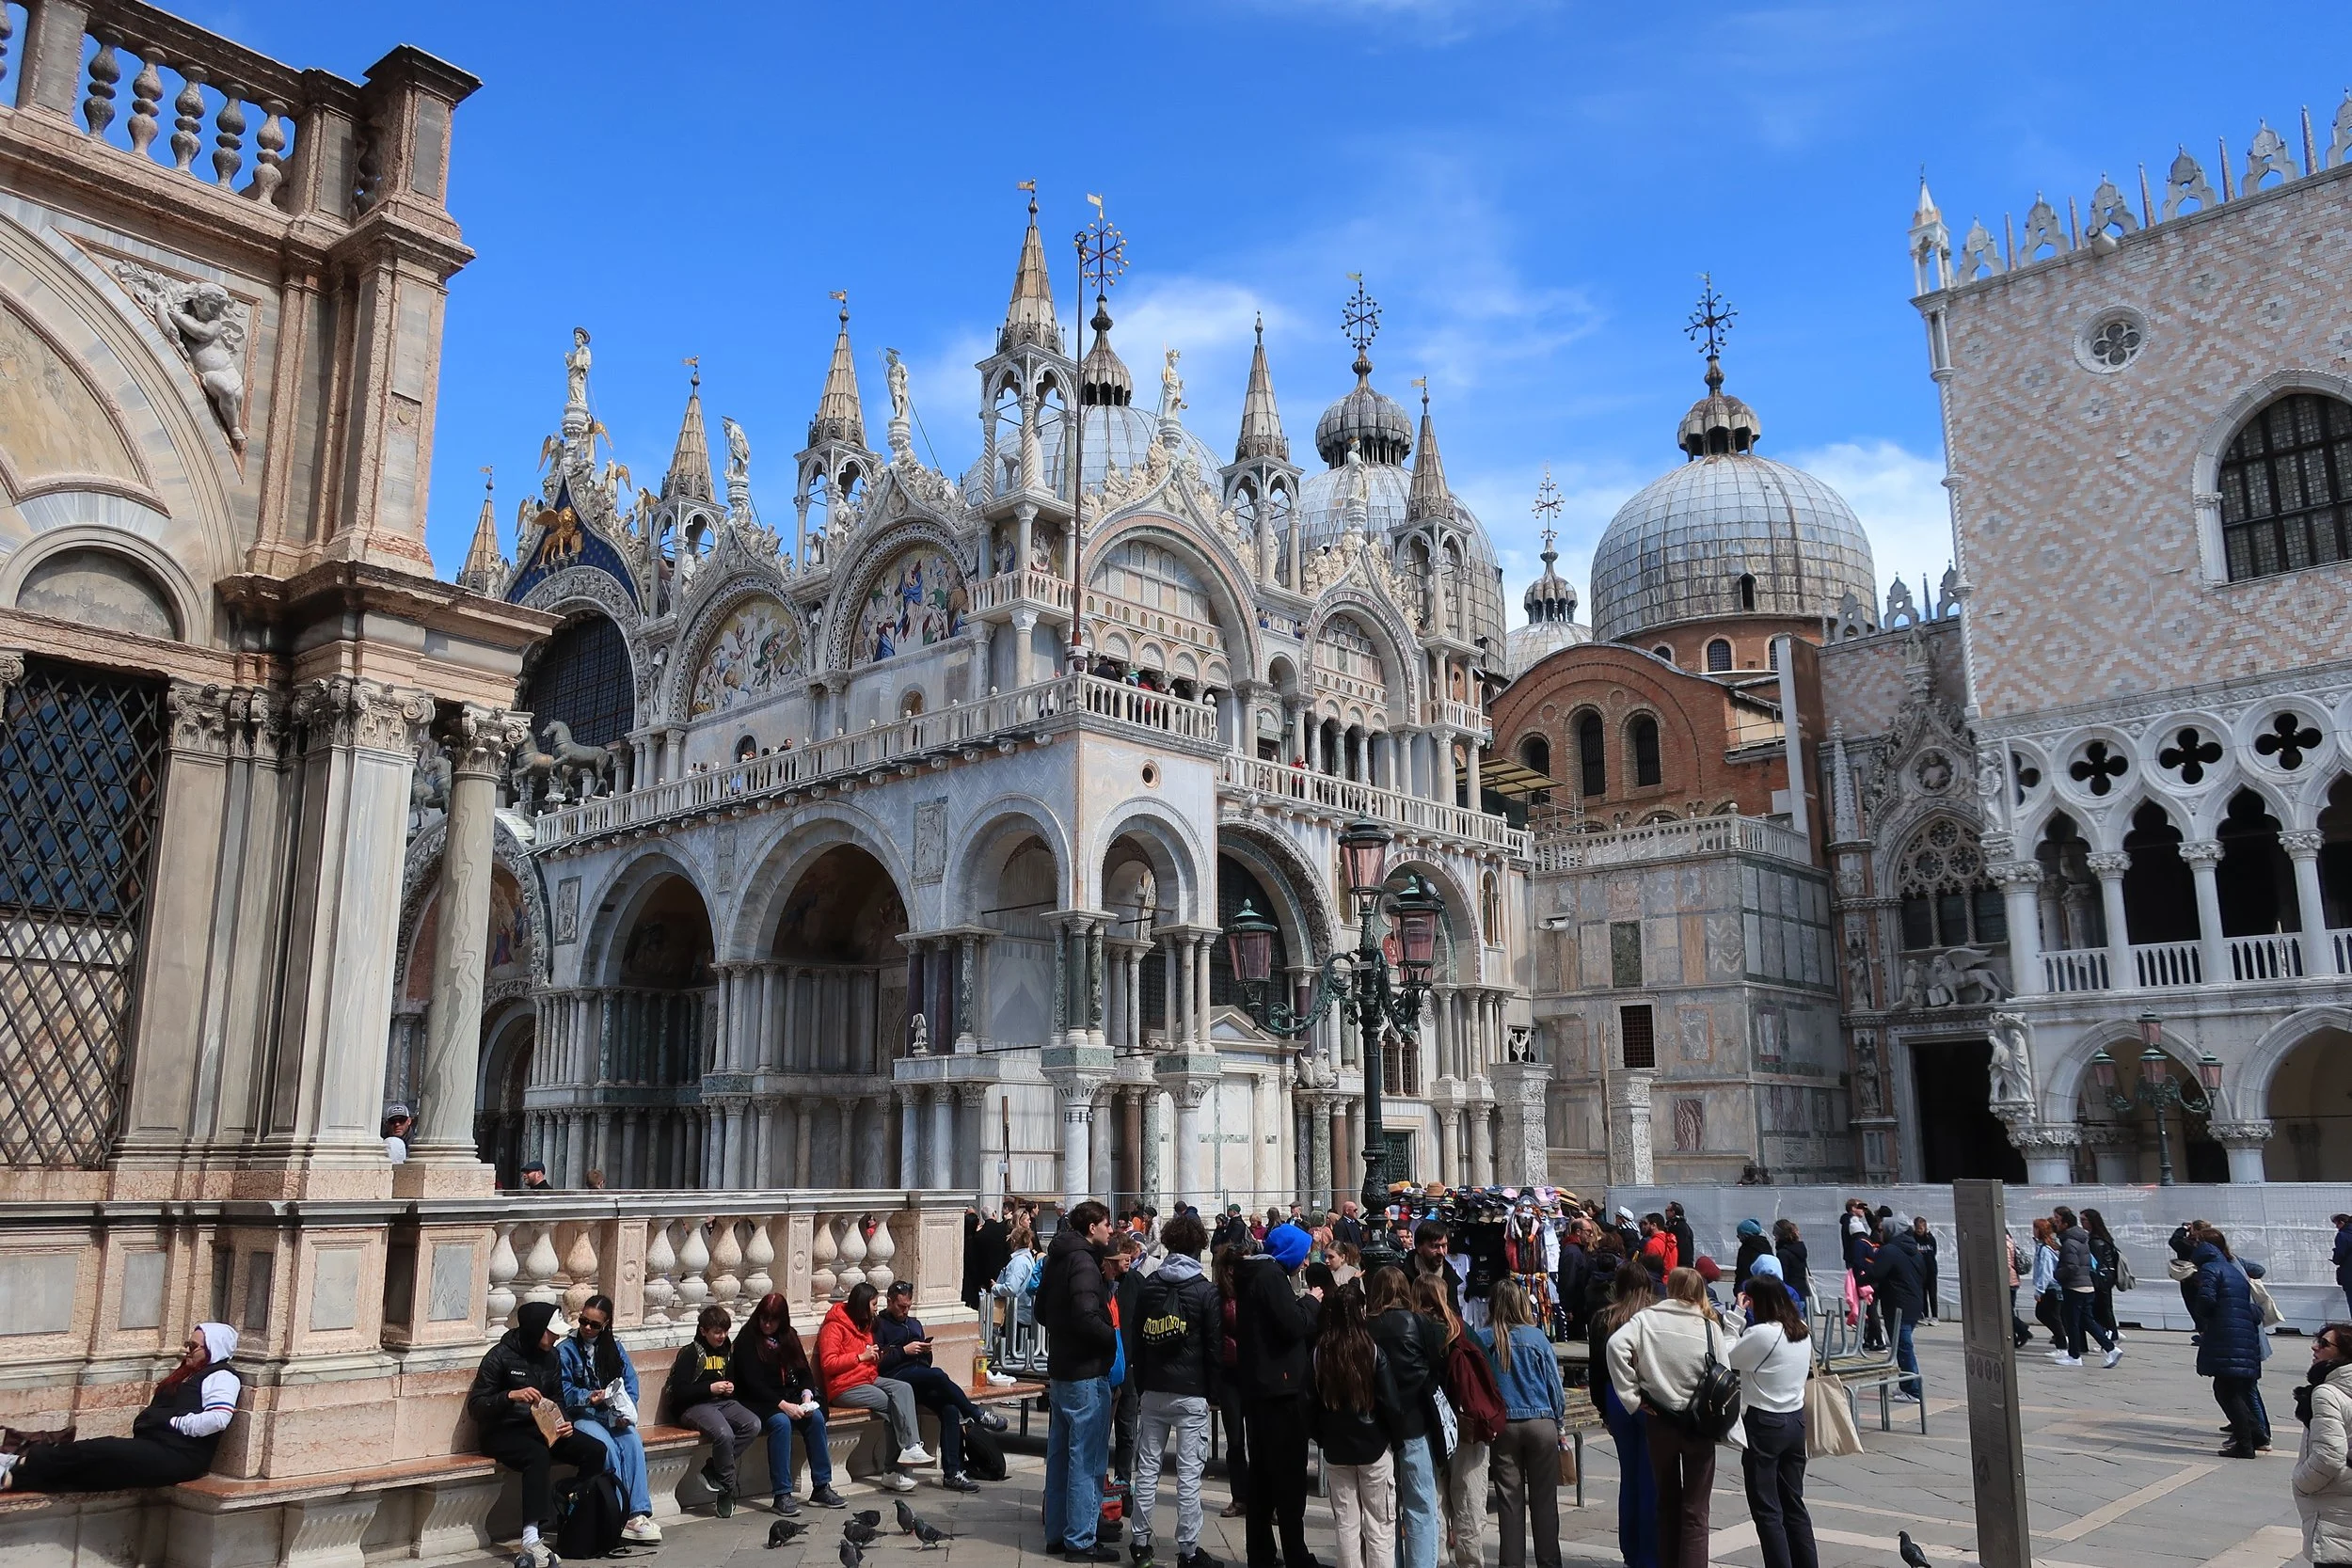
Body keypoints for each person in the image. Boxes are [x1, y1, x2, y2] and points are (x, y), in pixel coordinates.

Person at [0, 1323, 242, 1495]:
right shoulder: (191, 1373)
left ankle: (21, 1460)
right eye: (188, 1344)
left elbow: (218, 1418)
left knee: (104, 1448)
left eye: (194, 1346)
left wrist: (173, 1422)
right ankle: (14, 1478)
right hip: (156, 1447)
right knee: (96, 1474)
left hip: (180, 1456)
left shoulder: (222, 1377)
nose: (187, 1349)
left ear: (214, 1349)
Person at [1606, 1267, 1740, 1568]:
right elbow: (1726, 1376)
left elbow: (1615, 1346)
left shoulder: (1646, 1320)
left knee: (1665, 1504)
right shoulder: (1710, 1326)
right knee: (1696, 1512)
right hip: (1699, 1426)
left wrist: (1632, 1396)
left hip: (1660, 1420)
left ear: (1670, 1288)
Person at [464, 1302, 607, 1568]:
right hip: (502, 1432)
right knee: (537, 1456)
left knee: (594, 1449)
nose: (556, 1337)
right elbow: (477, 1407)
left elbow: (557, 1399)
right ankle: (530, 1539)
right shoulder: (499, 1356)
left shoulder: (552, 1357)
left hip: (541, 1429)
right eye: (551, 1332)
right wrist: (510, 1395)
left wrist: (564, 1422)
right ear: (536, 1329)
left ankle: (577, 1513)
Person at [1129, 1212, 1223, 1568]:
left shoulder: (1149, 1285)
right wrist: (1212, 1393)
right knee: (1188, 1475)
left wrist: (1142, 1384)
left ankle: (1140, 1543)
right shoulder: (1205, 1291)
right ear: (1199, 1247)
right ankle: (1188, 1549)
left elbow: (1137, 1340)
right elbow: (1213, 1348)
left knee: (1147, 1469)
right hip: (1191, 1392)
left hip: (1154, 1389)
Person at [1233, 1221, 1323, 1568]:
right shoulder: (1271, 1277)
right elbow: (1293, 1324)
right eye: (1303, 1254)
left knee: (1263, 1475)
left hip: (1260, 1388)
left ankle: (1261, 1552)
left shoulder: (1255, 1275)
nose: (1305, 1261)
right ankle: (1295, 1553)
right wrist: (1311, 1303)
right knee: (1287, 1478)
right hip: (1281, 1391)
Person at [875, 1279, 1010, 1493]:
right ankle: (976, 1413)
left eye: (908, 1306)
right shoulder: (880, 1325)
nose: (905, 1311)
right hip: (896, 1379)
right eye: (901, 1306)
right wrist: (903, 1351)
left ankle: (952, 1473)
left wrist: (925, 1353)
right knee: (938, 1374)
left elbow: (926, 1364)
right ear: (889, 1301)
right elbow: (878, 1363)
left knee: (950, 1408)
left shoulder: (914, 1324)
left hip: (919, 1377)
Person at [1041, 1200, 1120, 1561]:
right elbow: (1088, 1316)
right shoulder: (1085, 1262)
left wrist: (1064, 1332)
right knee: (1086, 1458)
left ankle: (1057, 1533)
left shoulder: (1057, 1258)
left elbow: (1041, 1310)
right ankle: (1081, 1538)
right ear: (1091, 1228)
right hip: (1086, 1372)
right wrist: (1110, 1337)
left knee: (1060, 1457)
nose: (1110, 1230)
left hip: (1061, 1369)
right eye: (1106, 1224)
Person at [1727, 1275, 1818, 1568]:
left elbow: (1727, 1356)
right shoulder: (1802, 1329)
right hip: (1795, 1421)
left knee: (1767, 1509)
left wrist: (1736, 1315)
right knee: (1794, 1504)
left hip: (1765, 1422)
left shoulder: (1763, 1334)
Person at [1476, 1279, 1567, 1568]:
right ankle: (1549, 1562)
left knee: (1509, 1501)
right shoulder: (1536, 1337)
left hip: (1503, 1425)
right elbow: (1554, 1387)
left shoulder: (1484, 1338)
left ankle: (1512, 1563)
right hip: (1540, 1421)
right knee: (1544, 1501)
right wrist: (1559, 1422)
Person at [558, 1294, 660, 1544]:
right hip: (583, 1416)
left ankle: (637, 1512)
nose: (587, 1328)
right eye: (583, 1321)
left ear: (606, 1325)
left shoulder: (614, 1348)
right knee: (607, 1448)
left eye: (594, 1325)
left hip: (612, 1415)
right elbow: (563, 1391)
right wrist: (588, 1397)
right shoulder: (566, 1350)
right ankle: (618, 1512)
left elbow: (630, 1384)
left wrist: (625, 1411)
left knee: (632, 1442)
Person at [731, 1291, 846, 1513]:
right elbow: (752, 1383)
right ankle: (782, 1493)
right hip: (758, 1401)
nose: (767, 1324)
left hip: (789, 1397)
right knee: (781, 1423)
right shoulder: (747, 1340)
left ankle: (822, 1486)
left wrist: (806, 1396)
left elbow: (804, 1371)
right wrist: (783, 1406)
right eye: (764, 1319)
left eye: (772, 1320)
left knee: (816, 1419)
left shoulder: (788, 1336)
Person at [1316, 1282, 1401, 1568]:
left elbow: (1307, 1402)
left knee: (1346, 1523)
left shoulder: (1321, 1352)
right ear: (1361, 1311)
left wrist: (1322, 1436)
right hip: (1374, 1446)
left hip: (1337, 1447)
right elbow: (1391, 1403)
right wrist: (1394, 1440)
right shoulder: (1371, 1350)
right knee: (1380, 1525)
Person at [817, 1283, 931, 1491]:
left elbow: (870, 1356)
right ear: (862, 1305)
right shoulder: (834, 1326)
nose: (876, 1309)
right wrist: (860, 1357)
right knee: (895, 1406)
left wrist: (876, 1356)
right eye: (873, 1304)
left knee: (903, 1390)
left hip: (867, 1378)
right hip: (844, 1386)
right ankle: (896, 1468)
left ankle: (910, 1448)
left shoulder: (865, 1325)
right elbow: (828, 1364)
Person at [1370, 1265, 1447, 1568]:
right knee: (1421, 1505)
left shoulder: (1367, 1326)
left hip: (1379, 1428)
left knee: (1387, 1511)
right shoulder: (1418, 1322)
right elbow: (1435, 1367)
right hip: (1416, 1422)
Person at [1590, 1265, 1658, 1568]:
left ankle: (1630, 1551)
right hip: (1648, 1397)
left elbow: (1595, 1368)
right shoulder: (1653, 1317)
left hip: (1614, 1396)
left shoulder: (1603, 1318)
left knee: (1628, 1476)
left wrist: (1602, 1409)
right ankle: (1649, 1554)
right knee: (1650, 1478)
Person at [663, 1305, 760, 1518]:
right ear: (703, 1331)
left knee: (753, 1424)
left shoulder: (726, 1351)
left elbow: (732, 1378)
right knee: (724, 1434)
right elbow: (680, 1391)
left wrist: (730, 1387)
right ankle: (727, 1488)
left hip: (722, 1403)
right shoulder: (691, 1354)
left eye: (725, 1331)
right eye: (717, 1332)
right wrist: (709, 1388)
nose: (721, 1336)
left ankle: (714, 1468)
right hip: (694, 1406)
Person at [1418, 1274, 1486, 1568]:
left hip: (1427, 1422)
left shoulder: (1415, 1328)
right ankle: (1470, 1560)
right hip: (1465, 1421)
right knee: (1469, 1495)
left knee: (1433, 1496)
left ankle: (1438, 1558)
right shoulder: (1462, 1329)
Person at [2191, 1226, 2267, 1458]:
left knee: (2226, 1391)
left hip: (2225, 1334)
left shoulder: (2210, 1269)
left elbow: (2207, 1300)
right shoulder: (2231, 1268)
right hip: (2242, 1334)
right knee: (2233, 1389)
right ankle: (2256, 1434)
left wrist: (2203, 1314)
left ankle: (2245, 1444)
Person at [2293, 1322, 2352, 1566]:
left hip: (2334, 1504)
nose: (2314, 1347)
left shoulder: (2327, 1392)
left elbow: (2329, 1455)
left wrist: (2303, 1483)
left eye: (2324, 1344)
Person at [2050, 1207, 2120, 1370]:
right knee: (2086, 1320)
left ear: (2066, 1224)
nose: (2055, 1224)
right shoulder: (2082, 1239)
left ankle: (2075, 1356)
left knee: (2073, 1322)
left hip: (2074, 1286)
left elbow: (2072, 1266)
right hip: (2086, 1285)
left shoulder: (2069, 1242)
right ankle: (2110, 1348)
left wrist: (2057, 1274)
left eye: (2058, 1221)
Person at [1212, 1243, 1251, 1521]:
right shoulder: (1219, 1295)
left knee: (1260, 1439)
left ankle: (1265, 1498)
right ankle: (1240, 1497)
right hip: (1229, 1370)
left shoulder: (1255, 1288)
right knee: (1235, 1440)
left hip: (1253, 1370)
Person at [1866, 1220, 1927, 1400]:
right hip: (1914, 1303)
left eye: (1881, 1230)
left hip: (1898, 1304)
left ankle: (1913, 1390)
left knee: (1903, 1347)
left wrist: (1859, 1277)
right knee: (1902, 1346)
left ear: (1890, 1231)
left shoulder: (1889, 1251)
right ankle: (1906, 1384)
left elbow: (1876, 1273)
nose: (1879, 1233)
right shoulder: (1913, 1250)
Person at [2081, 1209, 2123, 1343]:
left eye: (2084, 1220)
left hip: (2101, 1278)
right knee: (2104, 1308)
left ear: (2092, 1221)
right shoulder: (2101, 1237)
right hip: (2107, 1276)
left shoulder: (2095, 1241)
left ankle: (2111, 1336)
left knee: (2101, 1308)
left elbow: (2095, 1262)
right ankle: (2111, 1334)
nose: (2081, 1223)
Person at [1413, 1218, 1463, 1317]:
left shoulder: (1449, 1276)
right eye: (1434, 1246)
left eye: (1444, 1246)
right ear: (1419, 1247)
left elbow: (1455, 1315)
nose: (1441, 1252)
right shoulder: (1404, 1274)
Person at [2030, 1217, 2064, 1349]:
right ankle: (2061, 1339)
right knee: (2048, 1315)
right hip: (2052, 1287)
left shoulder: (2045, 1249)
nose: (2033, 1231)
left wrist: (2040, 1290)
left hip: (2051, 1287)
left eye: (2035, 1228)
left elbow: (2046, 1271)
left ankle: (2062, 1343)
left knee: (2047, 1315)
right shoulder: (2044, 1246)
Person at [1771, 1220, 1810, 1316]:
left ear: (1779, 1235)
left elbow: (1783, 1276)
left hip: (1791, 1295)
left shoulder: (1783, 1253)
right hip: (1803, 1292)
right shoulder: (1800, 1249)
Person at [1910, 1216, 1941, 1323]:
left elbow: (1934, 1251)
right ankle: (1924, 1315)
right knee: (1922, 1294)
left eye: (1921, 1228)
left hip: (1931, 1270)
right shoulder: (1912, 1239)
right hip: (1919, 1271)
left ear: (1925, 1227)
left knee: (1932, 1294)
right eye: (1918, 1228)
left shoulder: (1930, 1239)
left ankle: (1935, 1316)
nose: (1919, 1230)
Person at [1733, 1221, 1771, 1294]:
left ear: (1745, 1235)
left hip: (1747, 1289)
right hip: (1765, 1288)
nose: (1739, 1239)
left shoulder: (1745, 1249)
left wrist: (1737, 1289)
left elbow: (1742, 1272)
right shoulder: (1766, 1246)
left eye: (1739, 1236)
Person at [2336, 1218, 2352, 1320]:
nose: (2336, 1227)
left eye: (2337, 1224)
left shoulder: (2342, 1235)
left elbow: (2339, 1256)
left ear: (2342, 1222)